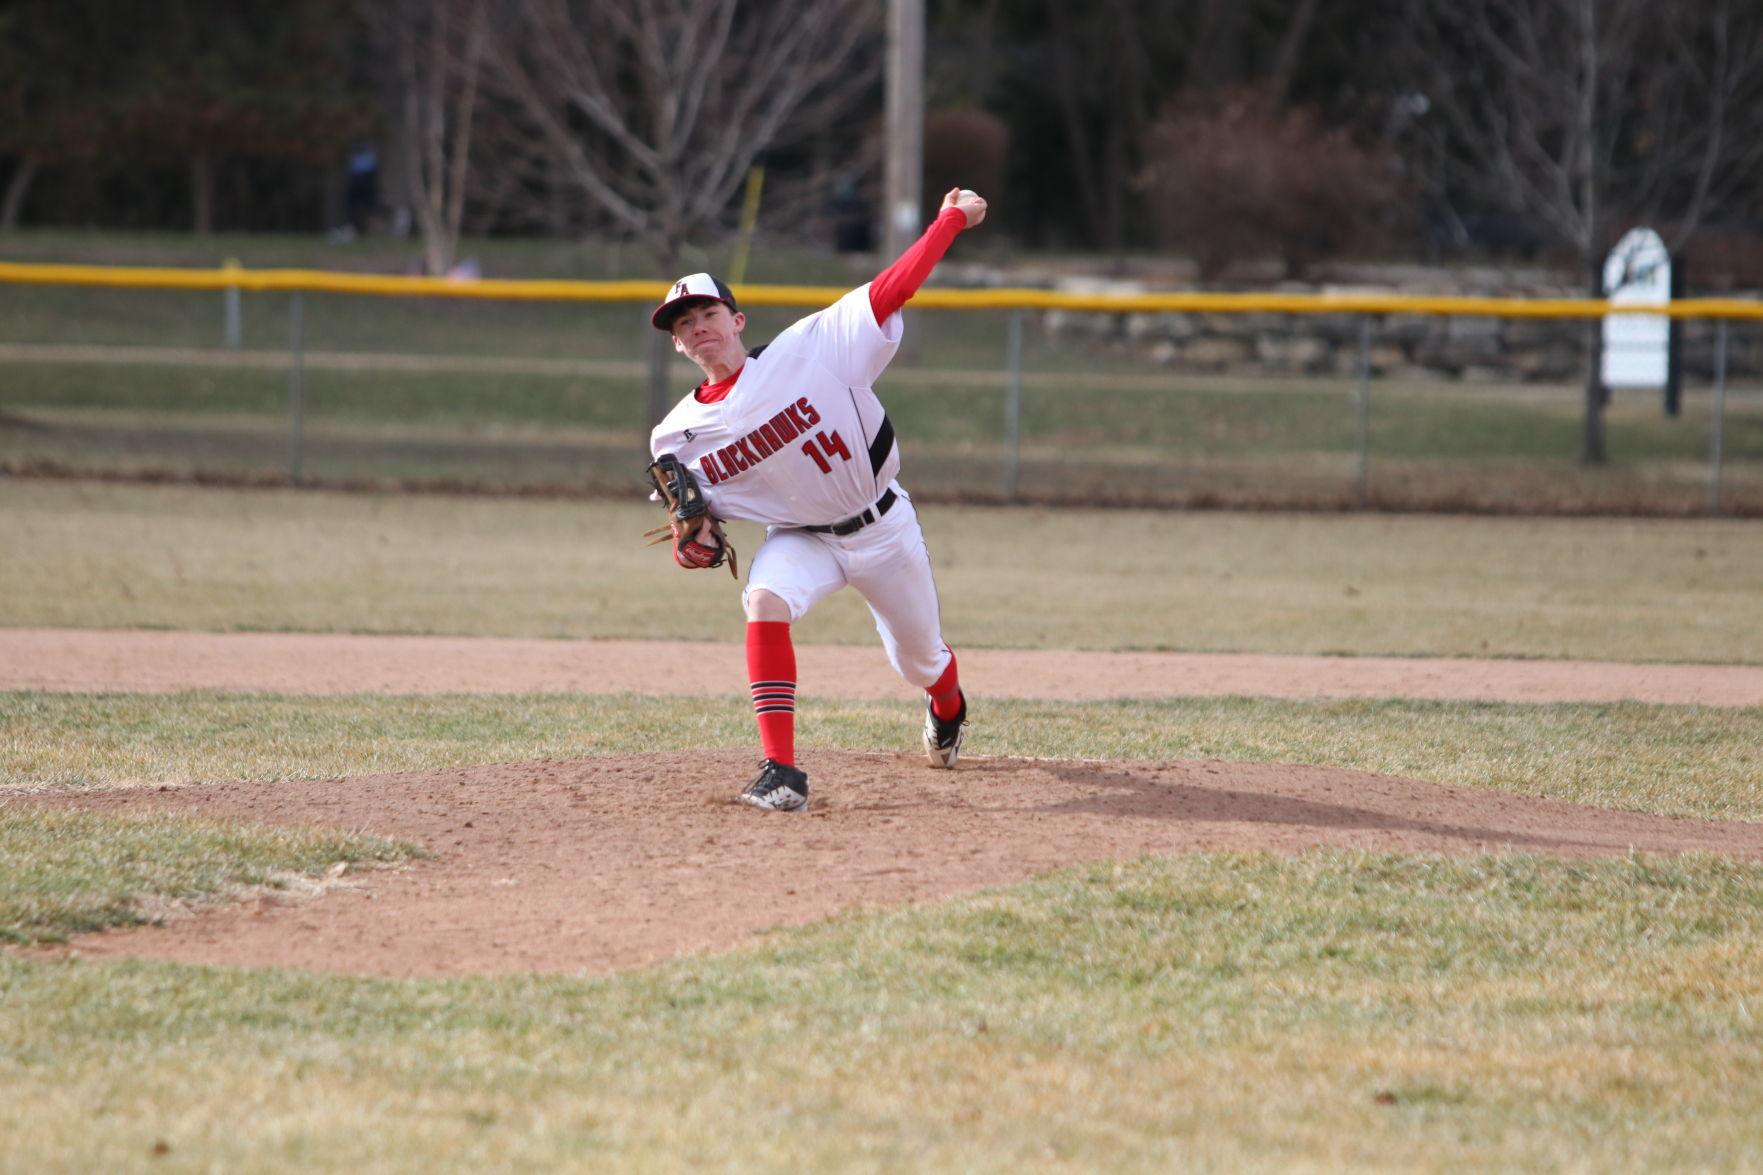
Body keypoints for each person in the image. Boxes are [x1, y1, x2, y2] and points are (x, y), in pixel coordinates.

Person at [648, 186, 988, 812]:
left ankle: (948, 705)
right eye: (684, 325)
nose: (699, 330)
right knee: (764, 599)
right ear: (677, 344)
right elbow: (694, 530)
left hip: (883, 528)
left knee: (920, 661)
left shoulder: (809, 349)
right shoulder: (675, 437)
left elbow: (892, 287)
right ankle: (780, 769)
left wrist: (948, 222)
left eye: (708, 315)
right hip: (803, 538)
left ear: (736, 320)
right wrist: (691, 548)